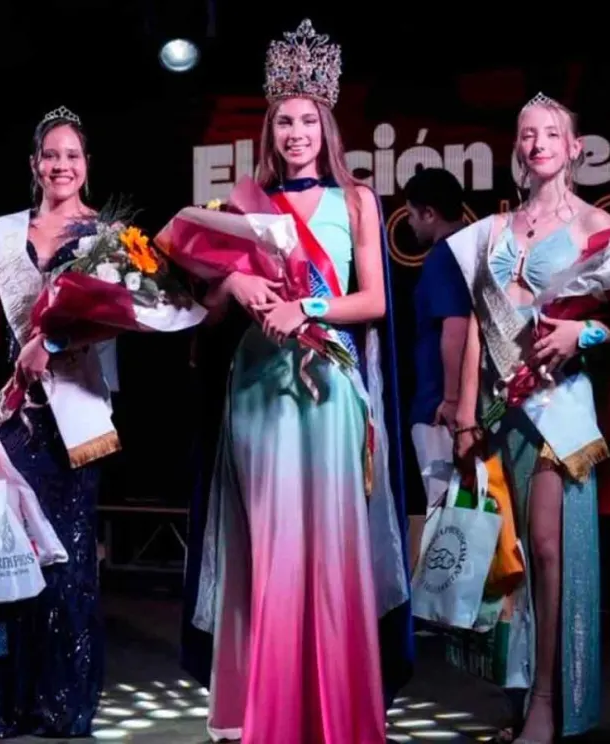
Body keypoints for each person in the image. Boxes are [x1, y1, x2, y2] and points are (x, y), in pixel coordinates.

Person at [180, 19, 413, 744]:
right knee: (271, 545)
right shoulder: (242, 206)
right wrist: (239, 290)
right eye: (284, 120)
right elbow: (210, 310)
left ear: (326, 127)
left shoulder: (360, 202)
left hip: (330, 382)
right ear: (270, 130)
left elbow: (373, 302)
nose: (295, 132)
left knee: (331, 549)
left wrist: (305, 304)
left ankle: (336, 712)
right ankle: (271, 714)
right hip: (259, 386)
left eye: (308, 120)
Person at [447, 93, 610, 743]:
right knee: (512, 554)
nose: (538, 142)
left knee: (548, 548)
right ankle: (520, 690)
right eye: (527, 134)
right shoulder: (493, 230)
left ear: (575, 148)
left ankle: (550, 700)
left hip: (558, 408)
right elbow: (474, 331)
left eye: (551, 133)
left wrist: (583, 335)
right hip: (498, 413)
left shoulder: (593, 223)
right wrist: (465, 416)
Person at [0, 106, 108, 738]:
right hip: (16, 418)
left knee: (69, 562)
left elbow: (109, 322)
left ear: (86, 165)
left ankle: (62, 702)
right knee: (9, 559)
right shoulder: (6, 235)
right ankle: (7, 703)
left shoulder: (107, 234)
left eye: (73, 156)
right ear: (34, 165)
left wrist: (50, 344)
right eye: (52, 156)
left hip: (74, 413)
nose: (62, 166)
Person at [403, 168, 472, 562]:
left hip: (438, 406)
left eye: (411, 214)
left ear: (429, 213)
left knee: (446, 508)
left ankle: (452, 613)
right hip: (451, 403)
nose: (410, 223)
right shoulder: (471, 250)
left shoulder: (444, 257)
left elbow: (456, 326)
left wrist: (450, 399)